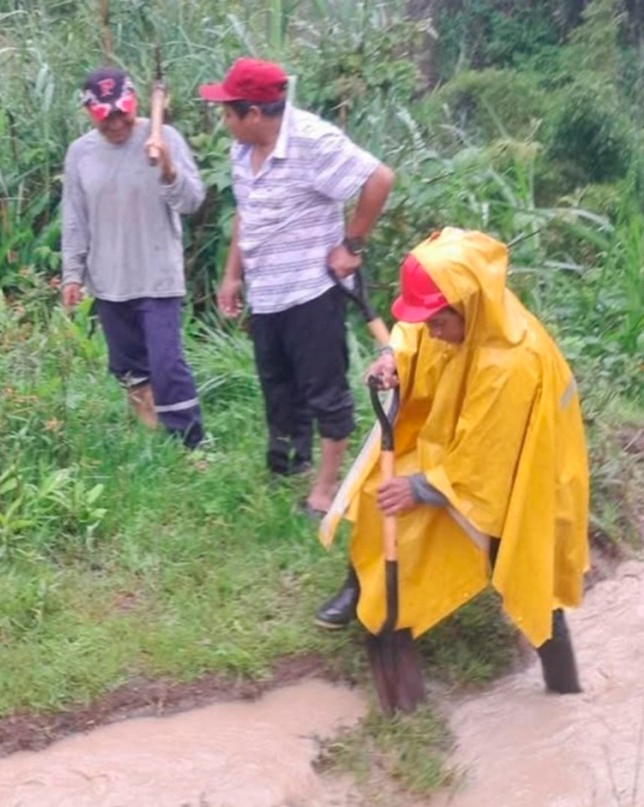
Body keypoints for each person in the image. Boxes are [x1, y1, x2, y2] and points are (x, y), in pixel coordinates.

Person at [319, 228, 588, 692]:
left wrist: (420, 488)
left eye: (438, 323)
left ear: (468, 305)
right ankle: (361, 589)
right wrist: (393, 359)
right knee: (372, 493)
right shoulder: (463, 315)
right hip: (461, 452)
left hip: (528, 474)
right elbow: (413, 334)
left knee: (529, 577)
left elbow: (487, 464)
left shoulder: (511, 362)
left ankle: (565, 693)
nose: (432, 333)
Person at [200, 58, 395, 505]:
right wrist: (232, 275)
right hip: (267, 293)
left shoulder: (312, 141)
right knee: (278, 384)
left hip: (311, 290)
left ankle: (325, 490)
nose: (222, 119)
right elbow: (246, 216)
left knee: (323, 389)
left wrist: (352, 246)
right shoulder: (241, 151)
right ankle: (290, 465)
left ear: (252, 114)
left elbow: (379, 179)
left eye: (227, 111)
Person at [61, 67, 207, 448]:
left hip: (158, 276)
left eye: (121, 112)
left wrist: (168, 169)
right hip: (108, 279)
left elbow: (192, 201)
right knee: (128, 368)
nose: (114, 123)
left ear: (135, 103)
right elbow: (74, 217)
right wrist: (71, 275)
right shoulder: (81, 153)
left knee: (167, 364)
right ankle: (153, 438)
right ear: (90, 113)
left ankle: (191, 440)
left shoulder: (163, 138)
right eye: (104, 116)